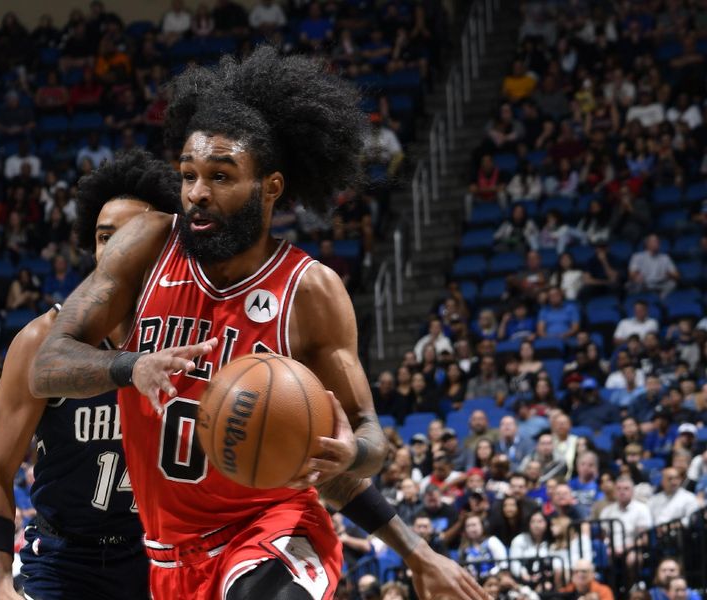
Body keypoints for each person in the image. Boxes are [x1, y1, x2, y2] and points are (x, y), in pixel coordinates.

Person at [29, 49, 485, 600]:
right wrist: (130, 365)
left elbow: (368, 437)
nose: (197, 192)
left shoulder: (309, 290)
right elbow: (46, 366)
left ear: (270, 187)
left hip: (272, 531)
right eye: (189, 175)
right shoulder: (148, 244)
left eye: (220, 176)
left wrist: (353, 461)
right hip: (169, 559)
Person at [0, 151, 181, 600]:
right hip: (64, 560)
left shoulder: (188, 337)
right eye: (106, 237)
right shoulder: (40, 341)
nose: (117, 250)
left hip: (160, 554)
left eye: (133, 236)